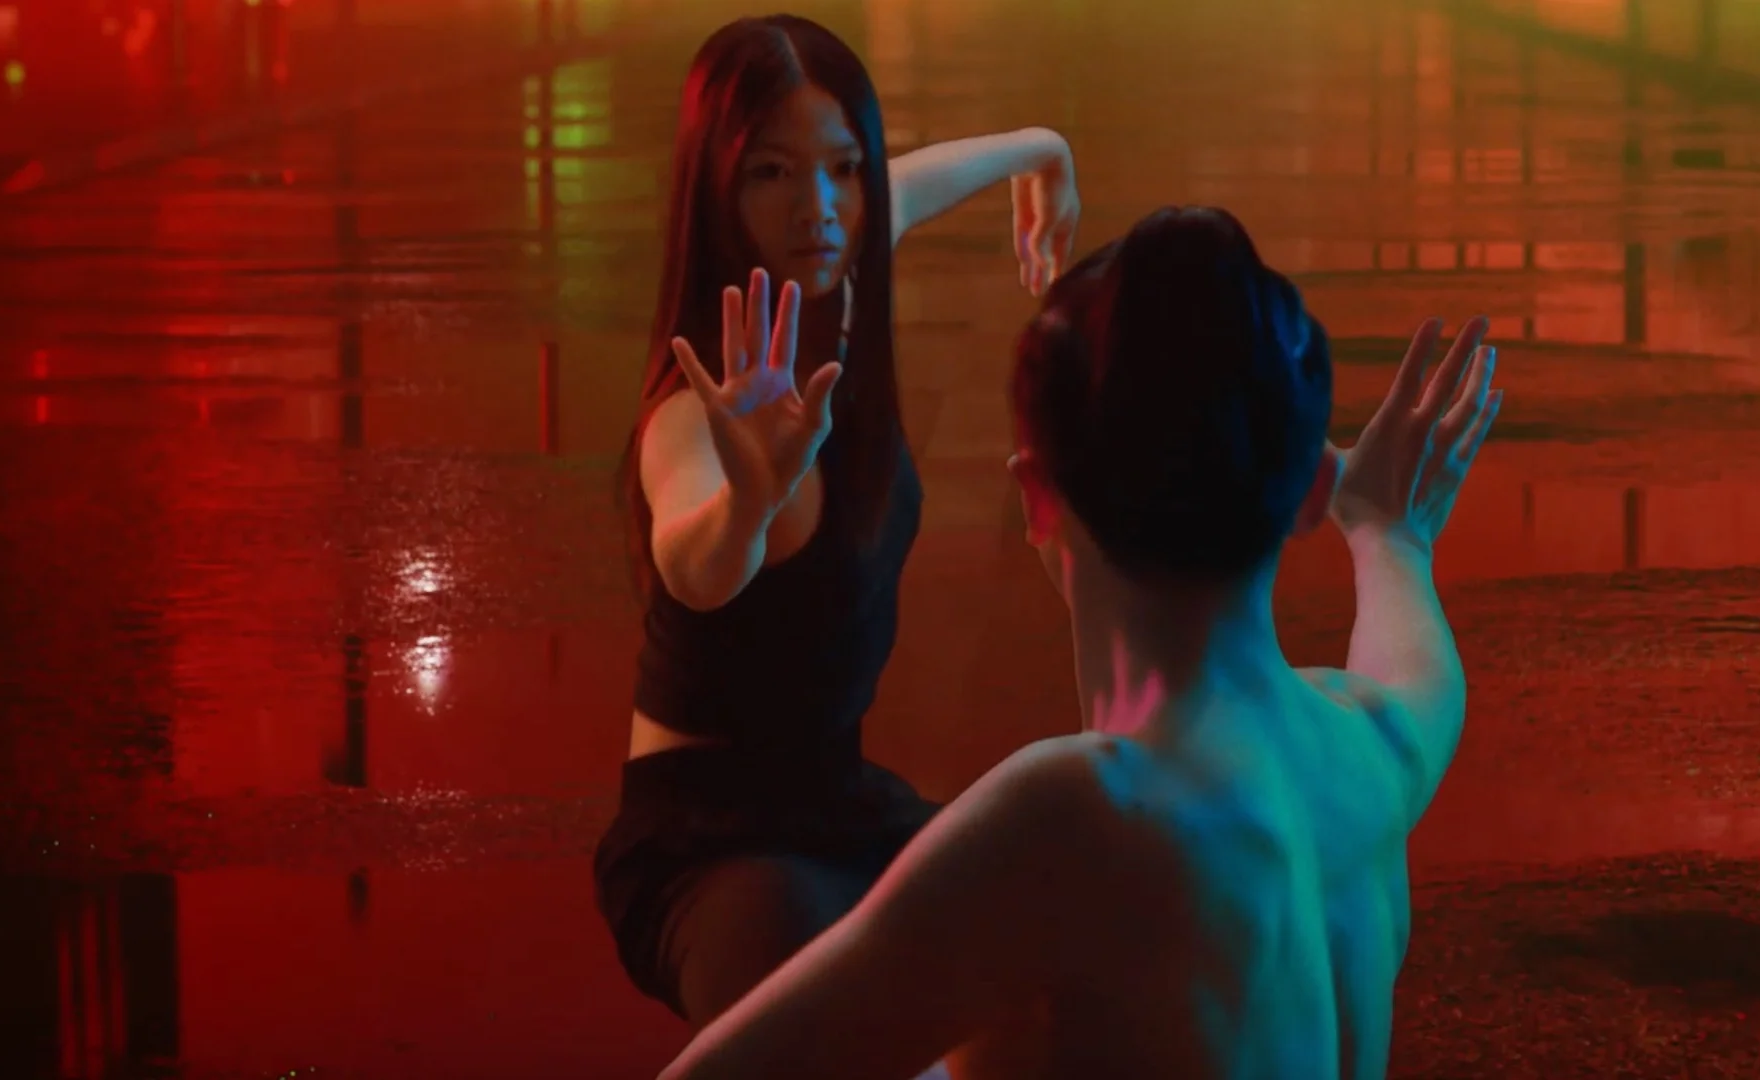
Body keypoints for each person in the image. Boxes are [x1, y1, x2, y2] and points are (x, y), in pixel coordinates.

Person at [655, 205, 1506, 1080]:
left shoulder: (1075, 822)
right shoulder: (1376, 749)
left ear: (1036, 497)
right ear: (1311, 492)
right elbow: (1419, 670)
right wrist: (1389, 537)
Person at [596, 12, 1083, 1032]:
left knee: (1065, 926)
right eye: (770, 173)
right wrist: (747, 501)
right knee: (823, 1017)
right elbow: (694, 563)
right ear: (715, 190)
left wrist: (1043, 151)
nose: (817, 207)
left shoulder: (845, 260)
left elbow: (910, 182)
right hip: (711, 841)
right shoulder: (698, 408)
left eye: (842, 169)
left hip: (835, 795)